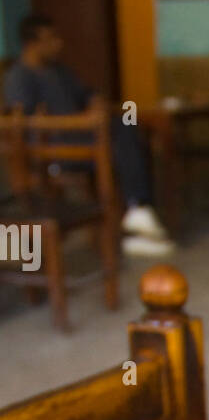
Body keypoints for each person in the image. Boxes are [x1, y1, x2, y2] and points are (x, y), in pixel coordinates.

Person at [2, 14, 175, 256]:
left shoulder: (59, 71)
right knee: (124, 138)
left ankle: (139, 214)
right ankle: (139, 213)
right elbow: (24, 124)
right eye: (51, 38)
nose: (58, 43)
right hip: (53, 151)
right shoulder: (18, 77)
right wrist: (80, 121)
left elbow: (86, 93)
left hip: (84, 140)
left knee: (128, 126)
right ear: (32, 44)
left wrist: (94, 101)